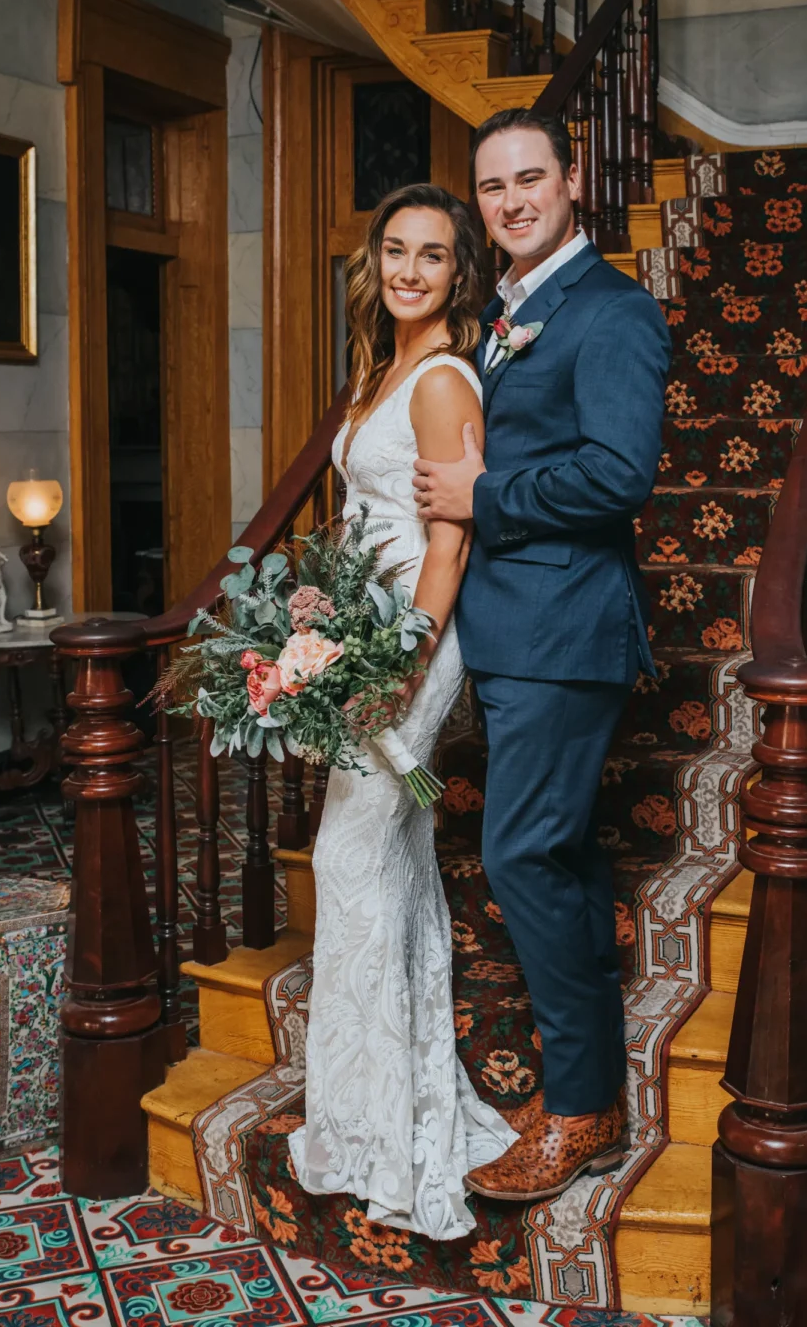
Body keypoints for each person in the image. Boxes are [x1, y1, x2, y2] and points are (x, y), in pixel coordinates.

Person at [412, 107, 671, 1203]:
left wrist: (484, 497)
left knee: (519, 857)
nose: (511, 201)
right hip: (513, 627)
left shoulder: (608, 310)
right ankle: (584, 1080)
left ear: (574, 183)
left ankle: (581, 1113)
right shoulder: (505, 312)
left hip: (564, 630)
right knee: (551, 854)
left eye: (530, 179)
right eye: (491, 187)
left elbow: (620, 475)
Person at [288, 183, 517, 1240]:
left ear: (458, 275)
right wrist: (312, 629)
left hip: (412, 647)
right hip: (363, 638)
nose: (409, 271)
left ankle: (390, 1136)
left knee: (351, 861)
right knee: (389, 863)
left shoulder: (439, 380)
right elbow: (362, 521)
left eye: (432, 256)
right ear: (373, 260)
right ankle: (385, 1111)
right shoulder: (378, 367)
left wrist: (403, 668)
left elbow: (450, 543)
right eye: (394, 250)